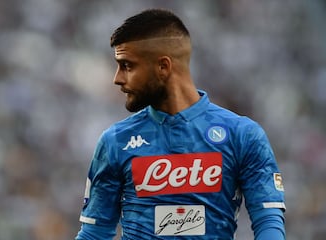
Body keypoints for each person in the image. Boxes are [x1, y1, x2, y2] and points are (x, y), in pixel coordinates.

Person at [75, 8, 286, 240]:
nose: (117, 78)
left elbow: (268, 223)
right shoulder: (115, 141)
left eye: (127, 66)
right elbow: (94, 234)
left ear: (163, 67)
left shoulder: (243, 135)